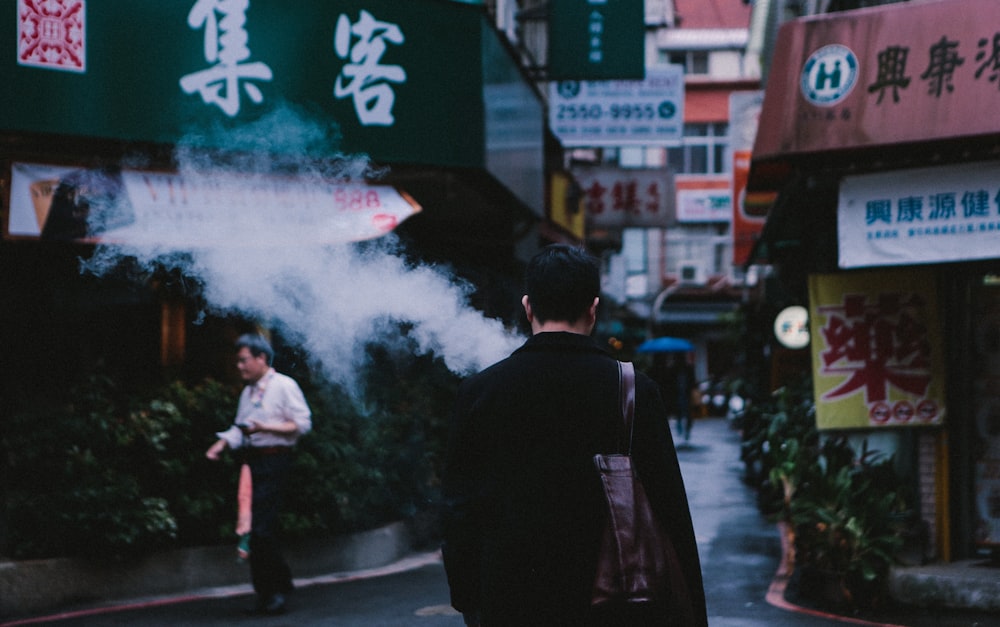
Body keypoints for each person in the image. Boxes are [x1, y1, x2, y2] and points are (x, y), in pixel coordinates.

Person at [441, 244, 707, 627]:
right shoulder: (632, 389)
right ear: (593, 308)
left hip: (508, 598)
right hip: (612, 599)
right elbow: (670, 511)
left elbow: (458, 510)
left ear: (528, 306)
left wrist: (469, 598)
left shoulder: (480, 391)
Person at [206, 333, 312, 616]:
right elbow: (240, 428)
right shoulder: (249, 392)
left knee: (262, 529)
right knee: (252, 528)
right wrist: (220, 444)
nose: (239, 366)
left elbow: (302, 424)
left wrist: (265, 428)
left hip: (276, 460)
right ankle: (267, 591)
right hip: (252, 464)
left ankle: (278, 588)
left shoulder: (284, 385)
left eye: (243, 360)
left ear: (261, 358)